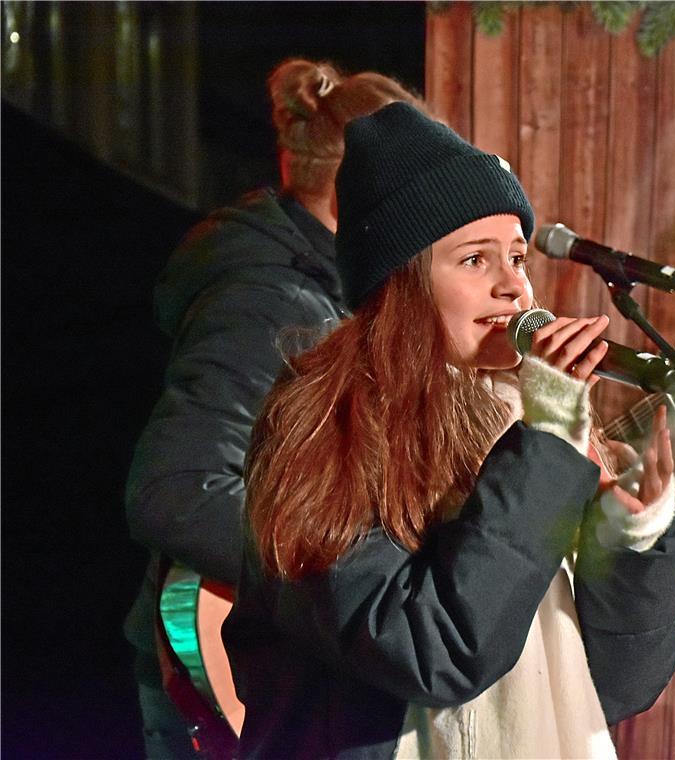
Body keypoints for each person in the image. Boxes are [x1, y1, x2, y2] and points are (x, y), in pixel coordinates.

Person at [221, 102, 675, 759]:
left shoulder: (530, 417)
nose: (514, 289)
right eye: (475, 260)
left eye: (518, 258)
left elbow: (616, 686)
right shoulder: (323, 424)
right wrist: (549, 443)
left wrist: (631, 537)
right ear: (403, 281)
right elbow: (431, 651)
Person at [123, 59, 424, 758]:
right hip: (239, 677)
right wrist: (341, 570)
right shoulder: (268, 299)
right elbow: (173, 494)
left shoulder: (322, 290)